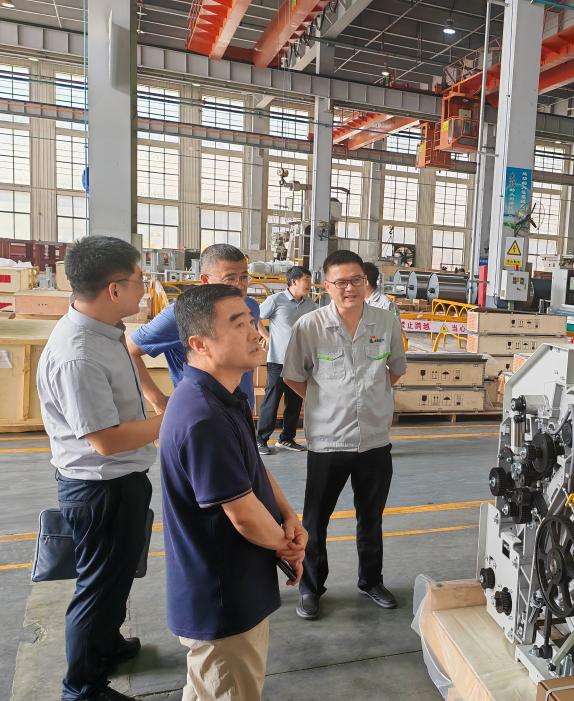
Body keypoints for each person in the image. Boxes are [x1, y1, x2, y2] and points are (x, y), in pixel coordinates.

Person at [159, 284, 307, 701]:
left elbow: (253, 471)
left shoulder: (224, 398)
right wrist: (286, 545)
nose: (255, 333)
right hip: (221, 596)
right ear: (199, 344)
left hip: (229, 585)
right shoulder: (202, 415)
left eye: (253, 322)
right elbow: (242, 514)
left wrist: (289, 517)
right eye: (238, 325)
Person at [36, 235, 162, 701]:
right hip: (100, 487)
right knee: (99, 586)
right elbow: (106, 440)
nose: (144, 289)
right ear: (114, 289)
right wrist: (172, 419)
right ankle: (81, 690)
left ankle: (104, 643)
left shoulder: (105, 333)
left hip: (120, 481)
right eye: (139, 280)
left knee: (116, 576)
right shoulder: (79, 354)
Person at [283, 250, 407, 617]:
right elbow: (293, 376)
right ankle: (310, 588)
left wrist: (370, 398)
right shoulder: (309, 326)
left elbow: (396, 369)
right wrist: (327, 401)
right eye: (341, 282)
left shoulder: (386, 321)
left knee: (371, 517)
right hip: (328, 441)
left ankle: (371, 581)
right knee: (315, 520)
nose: (349, 288)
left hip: (374, 441)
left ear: (366, 283)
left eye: (356, 281)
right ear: (326, 286)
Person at [127, 244, 268, 412]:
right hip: (202, 410)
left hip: (242, 407)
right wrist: (158, 401)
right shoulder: (181, 314)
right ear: (205, 280)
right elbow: (130, 349)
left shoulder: (250, 306)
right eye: (230, 279)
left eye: (244, 277)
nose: (240, 285)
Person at [255, 266, 315, 455]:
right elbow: (255, 317)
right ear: (294, 281)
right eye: (306, 279)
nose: (310, 283)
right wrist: (267, 336)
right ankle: (261, 440)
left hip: (299, 360)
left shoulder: (309, 304)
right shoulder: (276, 300)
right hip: (278, 360)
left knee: (294, 401)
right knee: (272, 400)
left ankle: (287, 438)